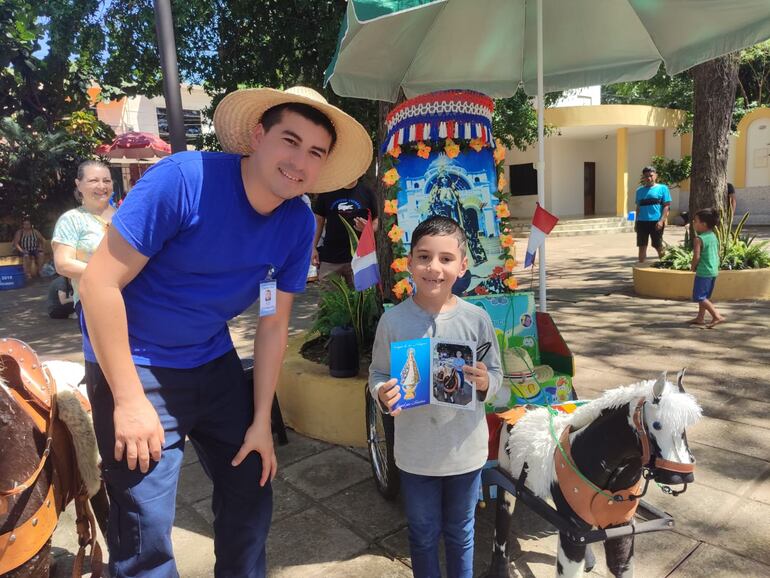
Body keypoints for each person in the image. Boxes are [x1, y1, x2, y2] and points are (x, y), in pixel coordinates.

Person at [78, 86, 372, 577]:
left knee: (252, 492)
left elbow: (274, 319)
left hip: (211, 360)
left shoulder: (298, 223)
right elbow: (98, 283)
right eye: (289, 140)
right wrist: (128, 401)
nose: (299, 162)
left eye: (315, 152)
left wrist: (261, 420)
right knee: (144, 529)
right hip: (134, 362)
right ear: (258, 136)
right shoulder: (184, 180)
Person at [369, 216, 503, 578]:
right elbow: (378, 373)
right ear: (409, 262)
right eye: (424, 257)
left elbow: (498, 375)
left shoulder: (477, 319)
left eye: (445, 258)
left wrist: (485, 382)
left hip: (465, 454)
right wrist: (383, 392)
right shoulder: (393, 322)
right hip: (416, 456)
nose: (434, 268)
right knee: (423, 535)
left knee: (461, 534)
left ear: (462, 265)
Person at [51, 160, 115, 318]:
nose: (102, 186)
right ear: (78, 185)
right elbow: (63, 264)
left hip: (137, 298)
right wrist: (111, 275)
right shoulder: (72, 219)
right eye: (93, 180)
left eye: (106, 180)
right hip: (93, 302)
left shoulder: (126, 216)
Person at [311, 178, 378, 284]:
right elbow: (318, 220)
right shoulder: (328, 191)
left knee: (361, 298)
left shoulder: (367, 192)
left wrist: (368, 228)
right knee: (330, 297)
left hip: (359, 258)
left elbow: (377, 220)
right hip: (330, 257)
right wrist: (313, 247)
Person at [690, 208, 726, 329]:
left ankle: (716, 316)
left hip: (703, 272)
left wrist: (692, 267)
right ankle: (700, 317)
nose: (694, 223)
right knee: (704, 296)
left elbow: (696, 256)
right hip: (713, 271)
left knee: (699, 297)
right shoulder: (713, 236)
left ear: (703, 224)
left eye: (695, 221)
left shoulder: (698, 239)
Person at [634, 166, 671, 263]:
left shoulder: (663, 188)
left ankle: (665, 264)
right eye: (646, 176)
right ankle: (641, 267)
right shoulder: (639, 191)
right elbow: (638, 208)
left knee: (658, 245)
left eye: (651, 175)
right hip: (642, 222)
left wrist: (661, 221)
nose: (648, 178)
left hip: (656, 222)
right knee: (642, 246)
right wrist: (636, 222)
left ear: (656, 176)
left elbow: (666, 206)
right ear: (643, 177)